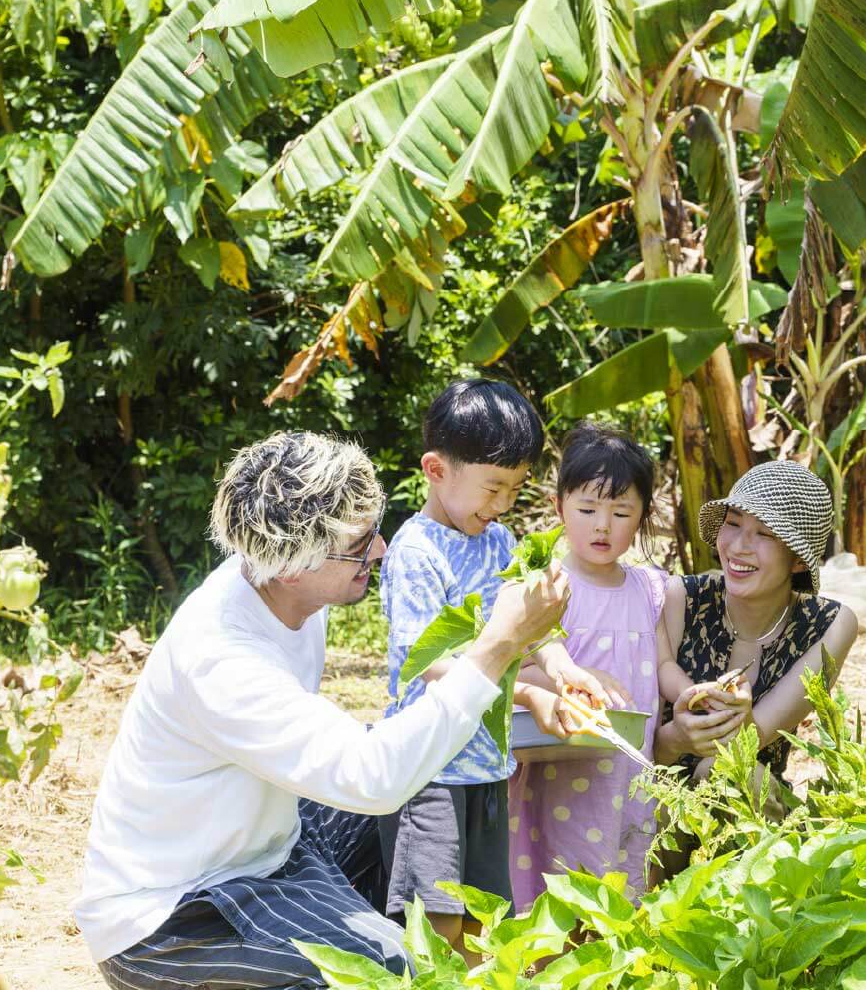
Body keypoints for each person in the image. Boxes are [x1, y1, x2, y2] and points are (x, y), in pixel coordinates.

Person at [76, 430, 570, 990]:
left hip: (267, 843)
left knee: (419, 797)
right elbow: (373, 777)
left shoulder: (294, 596)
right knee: (385, 972)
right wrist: (496, 647)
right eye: (360, 544)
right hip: (173, 915)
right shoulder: (223, 661)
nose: (380, 551)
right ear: (291, 565)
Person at [377, 381, 611, 958]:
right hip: (427, 768)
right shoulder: (416, 552)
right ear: (436, 469)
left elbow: (530, 634)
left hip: (485, 766)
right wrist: (530, 699)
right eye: (493, 487)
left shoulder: (500, 541)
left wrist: (561, 668)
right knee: (437, 924)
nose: (503, 504)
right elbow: (425, 662)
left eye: (514, 488)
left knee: (486, 921)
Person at [508, 422, 678, 908]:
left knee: (624, 885)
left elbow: (663, 663)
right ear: (559, 507)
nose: (603, 526)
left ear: (642, 516)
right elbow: (513, 670)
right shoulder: (548, 586)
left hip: (631, 773)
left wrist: (689, 692)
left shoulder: (649, 589)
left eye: (621, 512)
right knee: (561, 885)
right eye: (587, 509)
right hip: (561, 767)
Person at [653, 462, 859, 787]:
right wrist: (674, 739)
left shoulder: (828, 625)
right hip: (654, 799)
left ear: (798, 560)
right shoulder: (681, 597)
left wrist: (735, 714)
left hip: (753, 815)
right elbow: (641, 752)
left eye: (764, 533)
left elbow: (744, 744)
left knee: (724, 772)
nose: (738, 546)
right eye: (733, 523)